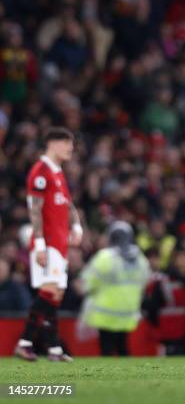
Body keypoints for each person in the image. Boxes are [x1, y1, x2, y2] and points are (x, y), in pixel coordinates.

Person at [15, 127, 82, 362]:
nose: (71, 149)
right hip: (48, 243)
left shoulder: (57, 172)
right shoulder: (41, 171)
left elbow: (67, 202)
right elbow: (34, 208)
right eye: (67, 143)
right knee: (49, 291)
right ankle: (25, 342)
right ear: (53, 143)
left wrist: (76, 226)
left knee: (56, 295)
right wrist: (40, 243)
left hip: (60, 242)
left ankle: (54, 348)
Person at [80, 221, 150, 356]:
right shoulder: (139, 258)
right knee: (123, 347)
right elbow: (145, 280)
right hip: (128, 312)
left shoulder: (105, 257)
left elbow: (88, 282)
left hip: (106, 312)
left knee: (106, 349)